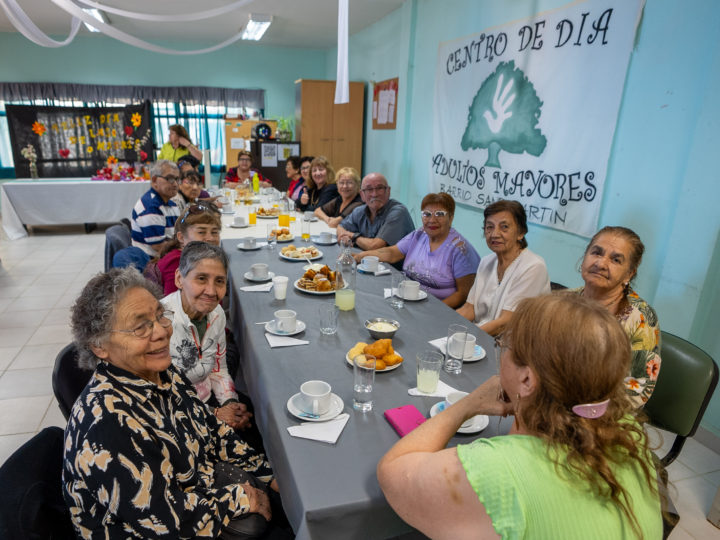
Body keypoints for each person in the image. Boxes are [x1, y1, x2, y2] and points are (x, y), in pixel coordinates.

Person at [377, 293, 663, 539]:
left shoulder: (498, 472)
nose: (502, 352)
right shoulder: (627, 430)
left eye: (505, 346)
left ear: (528, 379)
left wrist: (469, 404)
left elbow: (393, 472)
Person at [63, 267, 279, 537]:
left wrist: (267, 473)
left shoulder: (160, 372)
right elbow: (161, 521)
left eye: (159, 316)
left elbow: (210, 427)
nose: (162, 332)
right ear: (100, 346)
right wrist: (238, 499)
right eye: (141, 326)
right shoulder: (108, 425)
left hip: (190, 484)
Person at [162, 242, 254, 433]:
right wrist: (214, 413)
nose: (212, 291)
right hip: (176, 418)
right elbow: (161, 396)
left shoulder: (217, 314)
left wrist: (229, 403)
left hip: (207, 400)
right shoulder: (161, 324)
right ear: (179, 279)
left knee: (254, 421)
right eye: (201, 279)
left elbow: (218, 368)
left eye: (219, 281)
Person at [575, 226, 661, 406]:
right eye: (596, 253)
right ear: (585, 257)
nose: (600, 263)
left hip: (603, 414)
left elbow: (637, 391)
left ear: (630, 273)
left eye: (615, 260)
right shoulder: (564, 300)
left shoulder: (641, 319)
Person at [355, 193, 480, 307]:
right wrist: (360, 256)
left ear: (451, 218)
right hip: (409, 299)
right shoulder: (420, 234)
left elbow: (463, 294)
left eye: (440, 214)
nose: (432, 220)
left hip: (438, 308)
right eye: (427, 214)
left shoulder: (461, 249)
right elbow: (392, 253)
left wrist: (436, 309)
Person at [456, 199, 550, 336]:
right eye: (489, 227)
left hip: (512, 345)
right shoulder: (486, 262)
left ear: (520, 233)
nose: (494, 234)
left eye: (504, 227)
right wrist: (446, 325)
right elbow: (469, 309)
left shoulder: (534, 267)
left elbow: (505, 323)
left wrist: (465, 339)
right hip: (481, 336)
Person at [117, 160, 181, 271]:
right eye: (170, 178)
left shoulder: (171, 203)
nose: (175, 184)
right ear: (154, 180)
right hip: (153, 263)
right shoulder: (151, 207)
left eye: (177, 179)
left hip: (166, 255)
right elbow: (159, 247)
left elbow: (179, 232)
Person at [152, 203, 222, 295]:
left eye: (214, 232)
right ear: (181, 237)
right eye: (201, 232)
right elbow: (173, 306)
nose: (210, 238)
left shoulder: (198, 258)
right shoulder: (177, 263)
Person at [336, 173, 414, 250]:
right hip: (368, 260)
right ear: (362, 195)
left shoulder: (398, 212)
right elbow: (340, 227)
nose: (374, 194)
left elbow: (375, 246)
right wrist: (345, 237)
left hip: (392, 262)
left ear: (388, 191)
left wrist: (353, 236)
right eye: (369, 189)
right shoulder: (359, 211)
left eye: (380, 188)